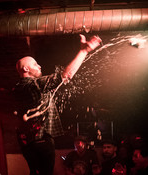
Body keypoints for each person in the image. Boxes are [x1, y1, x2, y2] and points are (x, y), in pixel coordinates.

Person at [13, 34, 102, 175]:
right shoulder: (31, 85)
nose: (39, 65)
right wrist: (84, 51)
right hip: (40, 141)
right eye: (35, 64)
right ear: (26, 69)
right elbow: (66, 75)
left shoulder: (25, 88)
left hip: (30, 142)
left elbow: (62, 81)